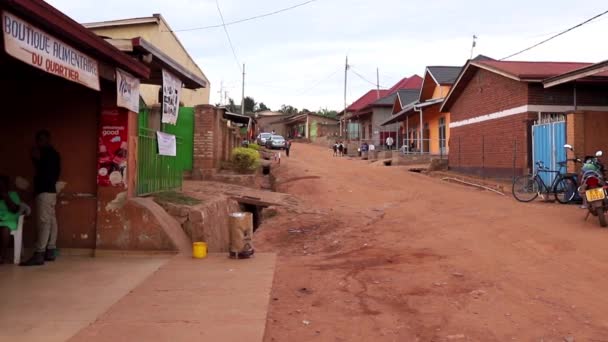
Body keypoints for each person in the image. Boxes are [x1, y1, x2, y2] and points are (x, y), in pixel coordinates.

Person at [22, 130, 61, 266]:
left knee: (44, 222)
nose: (39, 143)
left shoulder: (46, 154)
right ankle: (50, 250)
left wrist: (34, 158)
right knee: (51, 220)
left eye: (41, 140)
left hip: (44, 192)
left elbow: (42, 174)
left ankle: (39, 253)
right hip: (51, 191)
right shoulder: (54, 154)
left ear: (46, 140)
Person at [0, 176, 20, 264]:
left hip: (9, 219)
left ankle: (2, 255)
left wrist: (5, 196)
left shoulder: (13, 194)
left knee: (5, 228)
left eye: (2, 185)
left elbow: (15, 210)